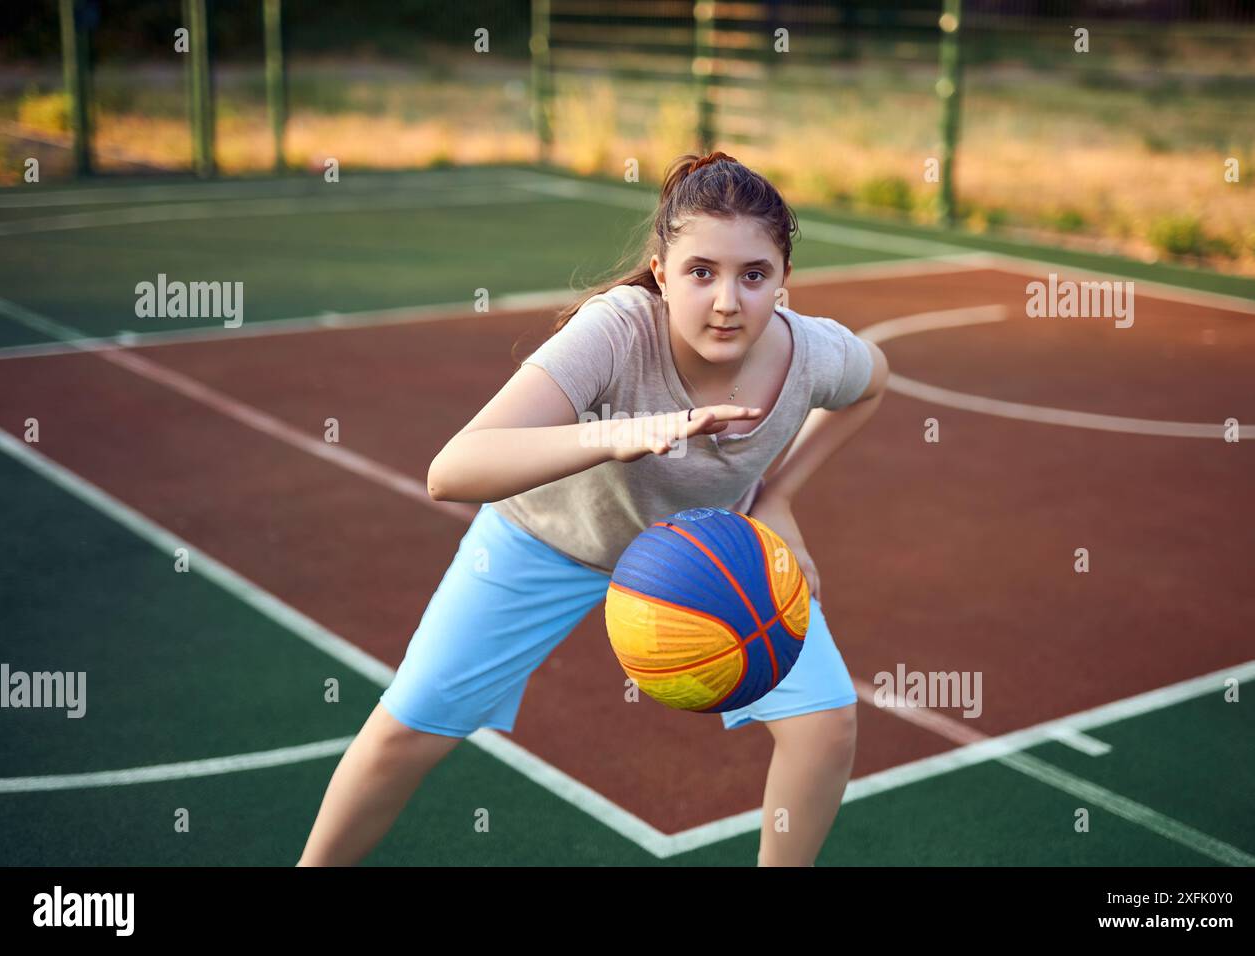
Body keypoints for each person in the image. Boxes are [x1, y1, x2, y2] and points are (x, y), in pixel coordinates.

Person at [297, 151, 890, 867]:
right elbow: (452, 470)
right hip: (546, 540)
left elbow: (871, 386)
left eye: (753, 275)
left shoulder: (814, 355)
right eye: (701, 272)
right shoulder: (615, 333)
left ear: (784, 283)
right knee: (409, 730)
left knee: (825, 725)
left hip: (705, 555)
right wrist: (614, 434)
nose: (728, 301)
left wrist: (777, 498)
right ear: (662, 271)